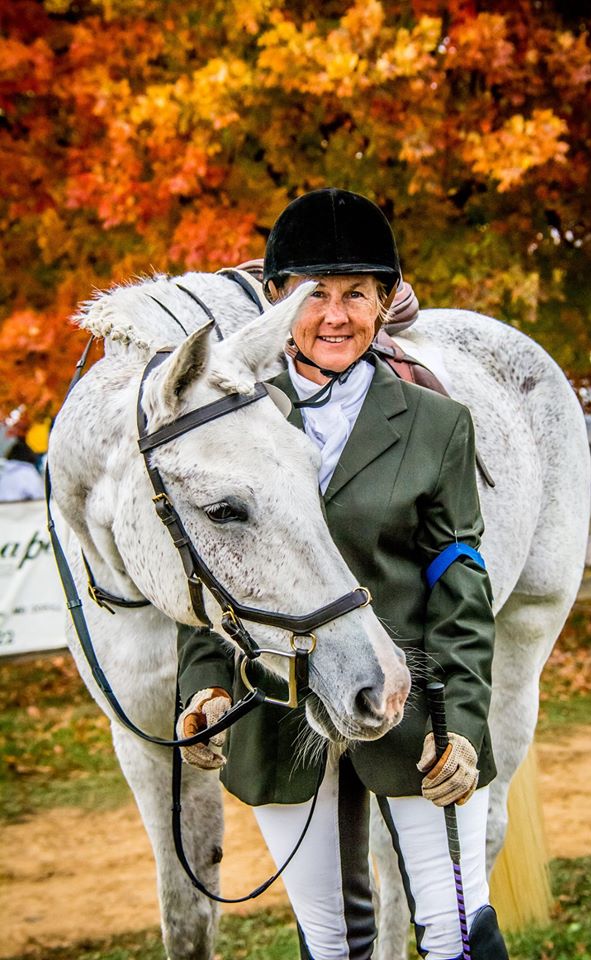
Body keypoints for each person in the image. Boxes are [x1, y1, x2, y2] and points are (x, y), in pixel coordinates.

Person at [175, 189, 508, 960]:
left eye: (356, 293)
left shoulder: (437, 424)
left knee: (457, 929)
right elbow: (212, 567)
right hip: (276, 705)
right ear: (274, 299)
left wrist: (460, 721)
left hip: (411, 706)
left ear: (385, 302)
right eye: (312, 294)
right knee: (331, 942)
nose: (334, 316)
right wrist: (205, 686)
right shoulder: (230, 421)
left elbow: (460, 578)